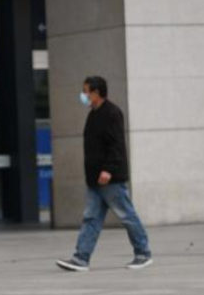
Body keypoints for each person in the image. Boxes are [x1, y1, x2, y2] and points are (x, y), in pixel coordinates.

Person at [56, 76, 153, 272]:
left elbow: (116, 145)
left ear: (97, 92)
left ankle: (143, 253)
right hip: (95, 180)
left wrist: (108, 169)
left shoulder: (112, 113)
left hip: (110, 179)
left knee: (126, 215)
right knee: (91, 218)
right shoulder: (93, 114)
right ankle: (81, 258)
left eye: (86, 91)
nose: (83, 96)